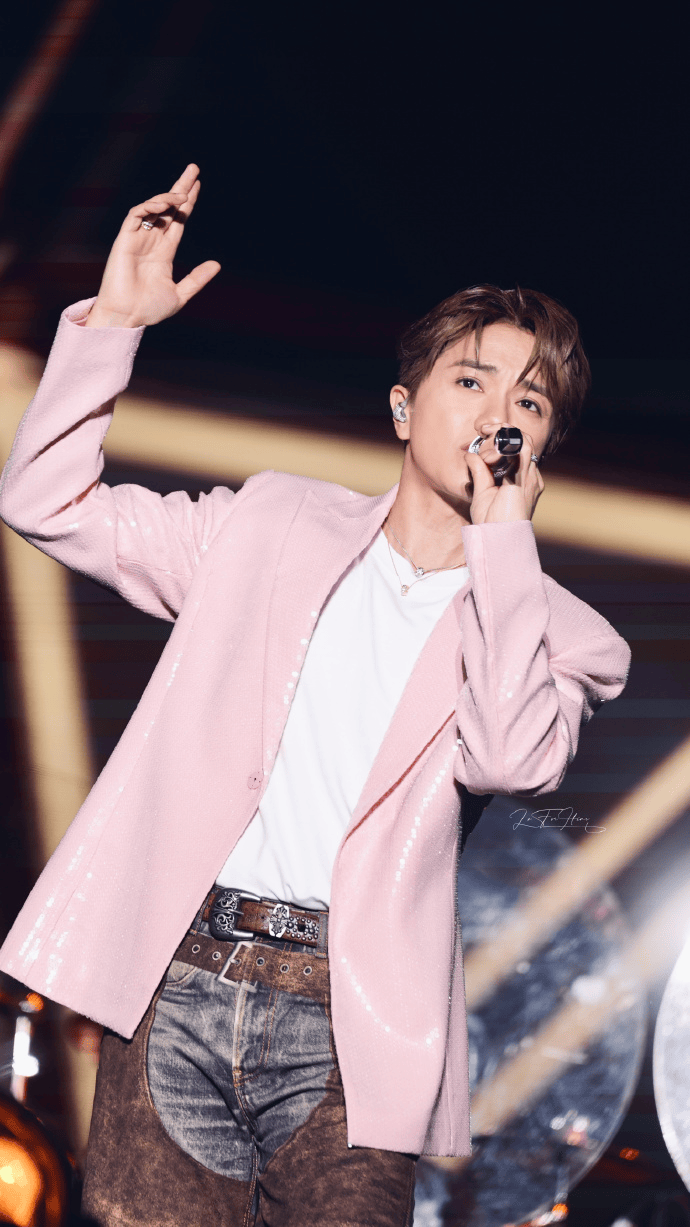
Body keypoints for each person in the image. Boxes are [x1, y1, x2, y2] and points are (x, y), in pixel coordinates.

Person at [0, 164, 631, 1227]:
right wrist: (113, 326)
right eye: (472, 381)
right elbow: (45, 501)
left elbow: (511, 759)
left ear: (543, 449)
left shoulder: (564, 635)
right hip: (180, 982)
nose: (497, 415)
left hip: (351, 1026)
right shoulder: (267, 525)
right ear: (404, 407)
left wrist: (503, 551)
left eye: (529, 402)